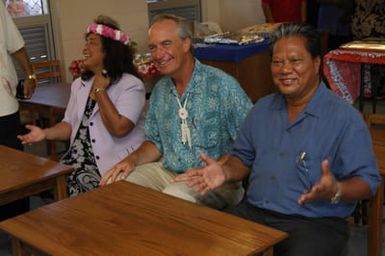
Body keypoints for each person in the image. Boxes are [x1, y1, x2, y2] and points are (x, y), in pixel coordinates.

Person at [175, 23, 381, 256]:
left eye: (295, 61)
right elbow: (242, 159)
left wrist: (336, 189)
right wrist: (225, 172)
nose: (285, 70)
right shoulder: (262, 109)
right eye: (277, 62)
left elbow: (368, 183)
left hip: (315, 222)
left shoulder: (345, 118)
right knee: (197, 242)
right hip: (255, 213)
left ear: (316, 64)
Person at [100, 14, 253, 210]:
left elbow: (251, 141)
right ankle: (138, 240)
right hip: (169, 170)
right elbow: (155, 143)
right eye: (153, 47)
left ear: (186, 44)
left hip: (218, 179)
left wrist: (221, 166)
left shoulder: (222, 85)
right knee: (120, 184)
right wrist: (131, 160)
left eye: (166, 44)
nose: (158, 54)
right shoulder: (159, 91)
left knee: (175, 197)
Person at [18, 15, 146, 196]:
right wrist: (45, 133)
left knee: (72, 186)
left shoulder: (130, 84)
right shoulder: (80, 84)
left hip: (109, 163)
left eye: (92, 42)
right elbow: (69, 124)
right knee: (41, 180)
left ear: (109, 50)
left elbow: (119, 128)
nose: (85, 48)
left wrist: (100, 91)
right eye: (86, 42)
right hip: (76, 160)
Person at [0, 1, 36, 220]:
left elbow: (16, 44)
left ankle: (20, 222)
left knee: (14, 166)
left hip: (2, 104)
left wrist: (30, 74)